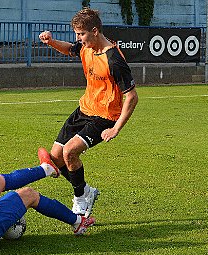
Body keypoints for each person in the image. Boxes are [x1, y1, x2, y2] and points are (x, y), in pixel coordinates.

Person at [38, 8, 138, 217]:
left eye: (81, 34)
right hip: (84, 109)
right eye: (76, 34)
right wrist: (52, 41)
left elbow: (132, 97)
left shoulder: (113, 59)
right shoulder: (86, 47)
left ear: (94, 31)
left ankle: (81, 199)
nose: (78, 39)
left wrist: (116, 128)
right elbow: (70, 49)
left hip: (105, 116)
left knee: (70, 152)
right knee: (56, 159)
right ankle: (86, 191)